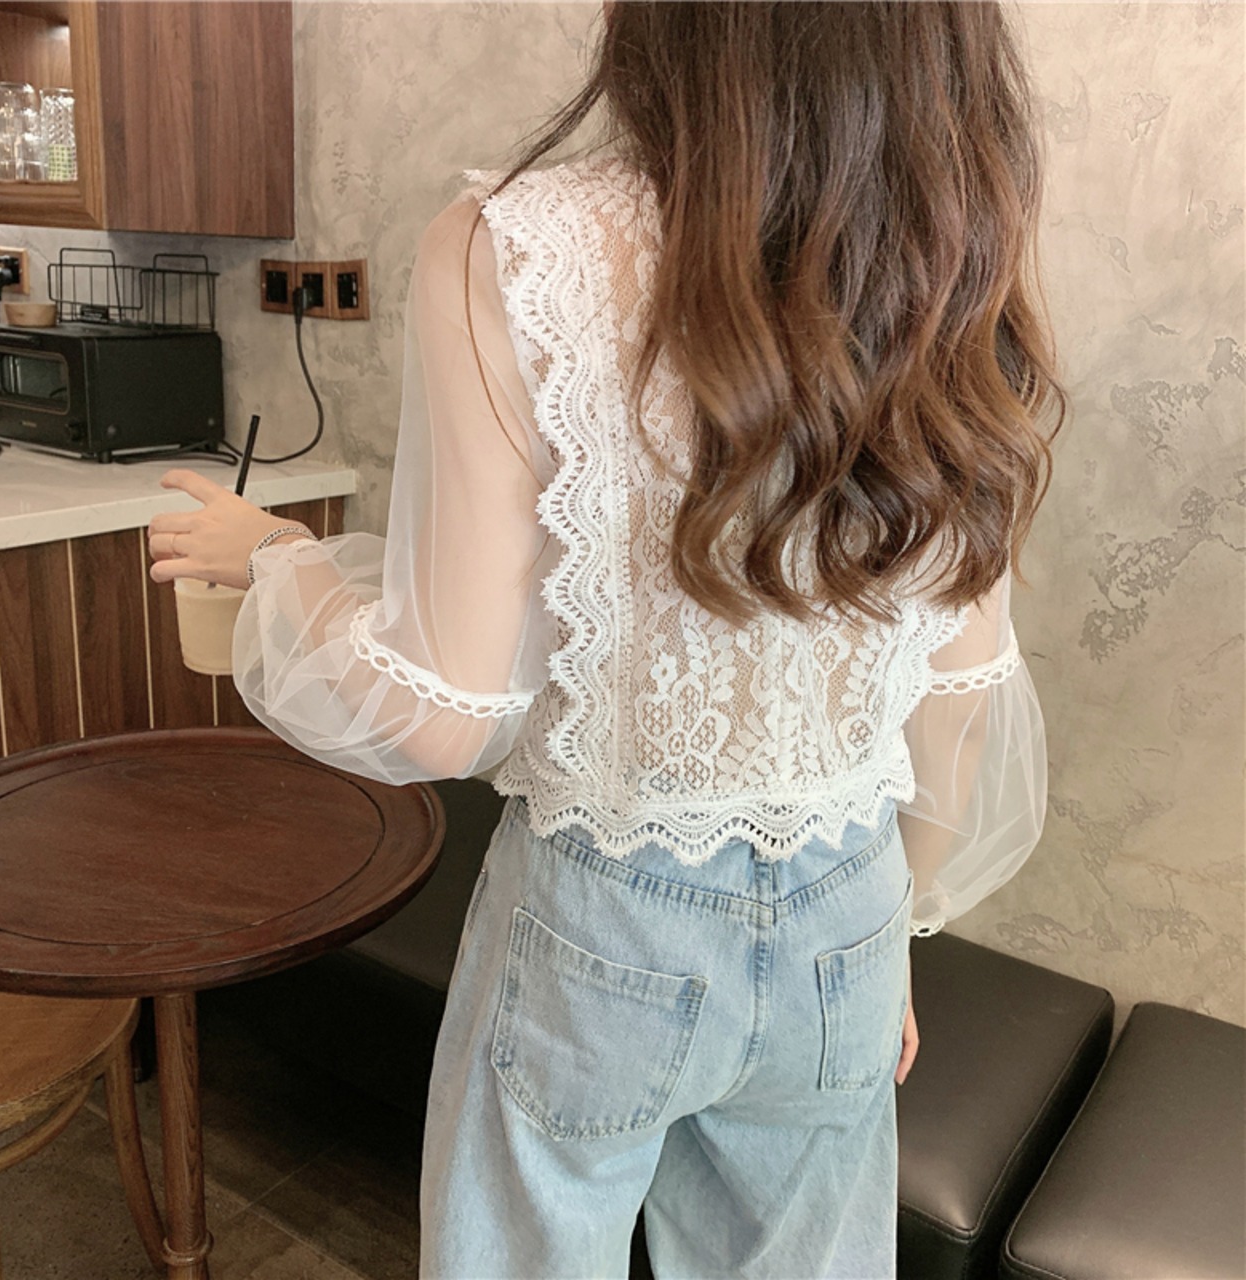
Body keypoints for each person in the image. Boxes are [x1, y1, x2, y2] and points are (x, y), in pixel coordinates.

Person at [148, 3, 1066, 1276]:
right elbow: (957, 695)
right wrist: (882, 943)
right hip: (848, 916)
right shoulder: (956, 257)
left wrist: (277, 560)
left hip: (605, 915)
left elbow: (438, 714)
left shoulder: (517, 246)